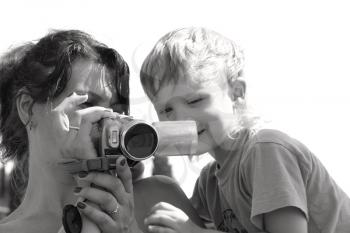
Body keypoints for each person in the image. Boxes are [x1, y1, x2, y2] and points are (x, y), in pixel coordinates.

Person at [140, 27, 350, 233]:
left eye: (195, 100)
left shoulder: (266, 151)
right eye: (166, 109)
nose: (180, 118)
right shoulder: (209, 184)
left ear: (236, 93)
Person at [0, 29, 203, 233]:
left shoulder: (161, 200)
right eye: (87, 103)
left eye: (117, 110)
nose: (107, 120)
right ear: (27, 108)